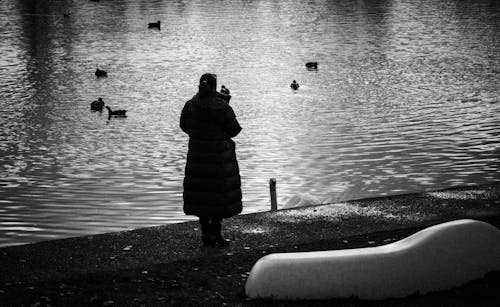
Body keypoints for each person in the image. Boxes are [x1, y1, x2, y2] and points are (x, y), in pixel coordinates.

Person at [180, 73, 242, 247]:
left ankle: (206, 234)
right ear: (215, 87)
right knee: (217, 195)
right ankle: (216, 233)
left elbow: (184, 125)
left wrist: (199, 136)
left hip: (197, 158)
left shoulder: (190, 105)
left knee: (202, 196)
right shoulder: (221, 107)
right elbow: (234, 130)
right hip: (218, 159)